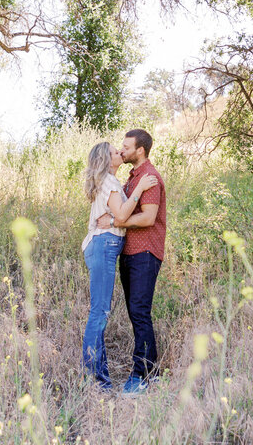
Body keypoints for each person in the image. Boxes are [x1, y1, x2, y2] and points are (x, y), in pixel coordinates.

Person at [80, 141, 158, 390]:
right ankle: (95, 379)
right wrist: (140, 189)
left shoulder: (111, 181)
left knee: (101, 311)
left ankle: (97, 376)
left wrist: (114, 217)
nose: (120, 153)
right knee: (99, 312)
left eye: (121, 149)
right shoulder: (110, 182)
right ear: (107, 159)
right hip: (103, 244)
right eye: (115, 152)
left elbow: (117, 217)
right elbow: (123, 216)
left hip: (104, 245)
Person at [106, 128, 166, 395]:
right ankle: (150, 372)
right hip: (130, 253)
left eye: (126, 147)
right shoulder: (132, 178)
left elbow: (148, 218)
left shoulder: (149, 177)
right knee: (135, 313)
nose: (122, 150)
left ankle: (140, 375)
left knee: (140, 312)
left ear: (140, 150)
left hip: (145, 253)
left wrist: (119, 221)